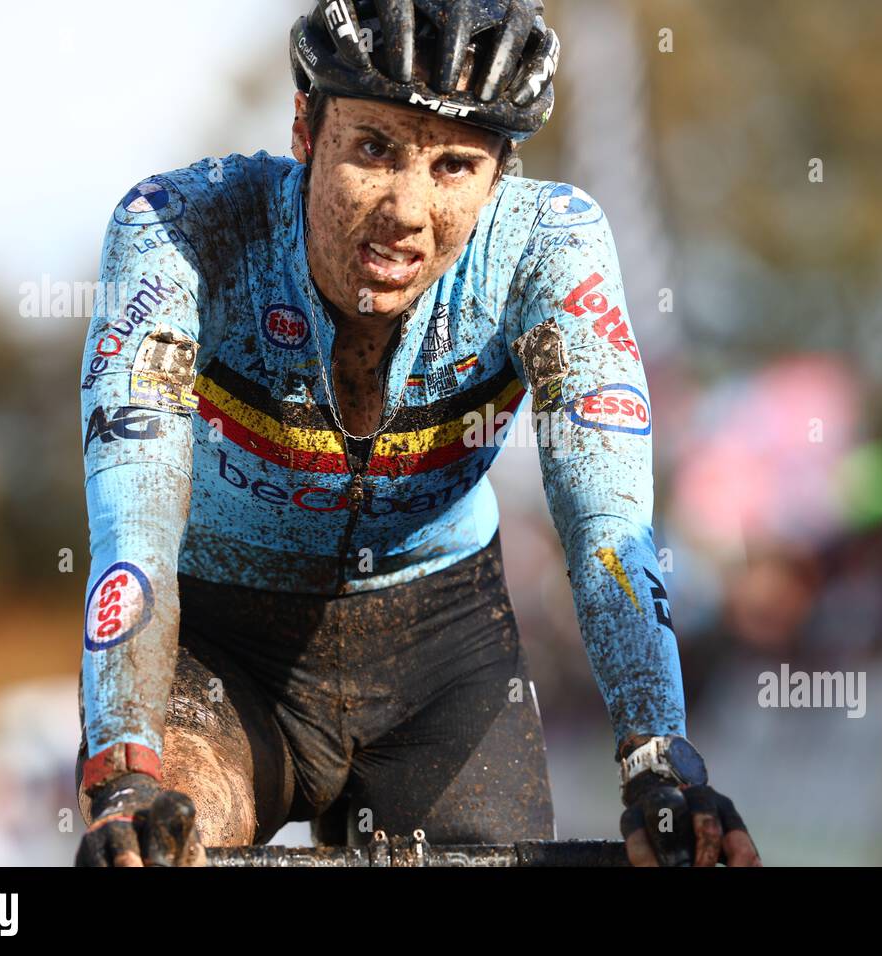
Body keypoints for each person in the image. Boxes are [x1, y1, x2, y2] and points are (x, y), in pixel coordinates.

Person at [73, 0, 760, 868]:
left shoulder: (551, 248)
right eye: (373, 149)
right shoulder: (184, 229)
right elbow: (131, 527)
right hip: (222, 649)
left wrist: (660, 760)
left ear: (501, 173)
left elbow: (610, 533)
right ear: (304, 128)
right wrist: (122, 768)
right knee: (164, 848)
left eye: (456, 166)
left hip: (438, 649)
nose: (407, 207)